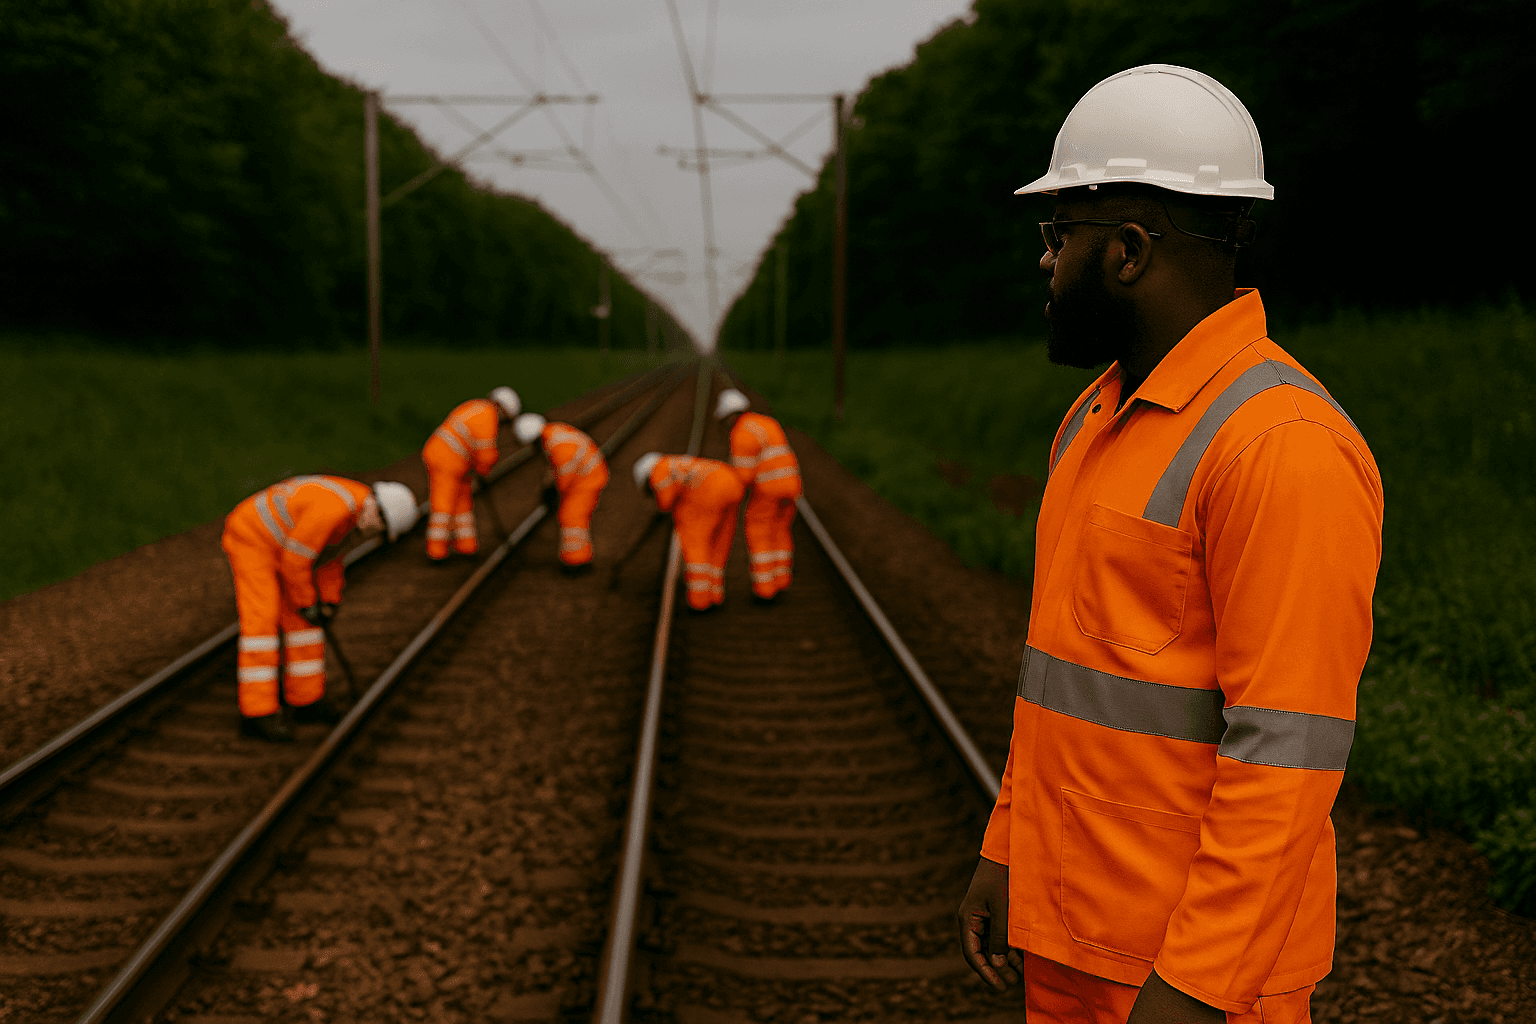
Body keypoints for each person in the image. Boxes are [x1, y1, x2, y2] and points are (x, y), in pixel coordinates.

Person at [955, 65, 1383, 1024]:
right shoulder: (1095, 418)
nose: (1044, 261)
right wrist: (1008, 848)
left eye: (1059, 234)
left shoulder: (1282, 447)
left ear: (1131, 251)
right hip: (1071, 938)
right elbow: (1061, 680)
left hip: (1188, 979)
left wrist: (1193, 986)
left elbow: (1288, 758)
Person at [222, 476, 419, 741]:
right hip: (253, 538)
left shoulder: (354, 517)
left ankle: (306, 700)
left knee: (305, 626)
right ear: (376, 506)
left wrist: (328, 601)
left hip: (285, 546)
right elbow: (295, 563)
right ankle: (257, 713)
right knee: (262, 621)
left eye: (382, 532)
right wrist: (307, 602)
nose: (375, 532)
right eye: (380, 525)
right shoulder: (334, 509)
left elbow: (328, 559)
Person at [716, 388, 802, 601]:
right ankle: (781, 580)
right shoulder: (767, 422)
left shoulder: (741, 432)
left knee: (759, 532)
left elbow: (743, 476)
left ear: (730, 416)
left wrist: (727, 495)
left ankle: (765, 589)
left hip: (768, 490)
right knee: (781, 531)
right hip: (791, 486)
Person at [632, 451, 745, 611]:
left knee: (695, 543)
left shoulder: (659, 469)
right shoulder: (677, 462)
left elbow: (666, 501)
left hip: (708, 494)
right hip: (731, 483)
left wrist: (662, 508)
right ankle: (715, 593)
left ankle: (700, 600)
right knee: (718, 543)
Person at [422, 387, 520, 561]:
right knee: (443, 505)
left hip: (455, 460)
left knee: (462, 503)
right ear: (504, 411)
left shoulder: (476, 406)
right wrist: (484, 471)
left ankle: (466, 544)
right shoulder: (488, 417)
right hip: (446, 460)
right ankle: (436, 550)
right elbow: (486, 453)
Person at [513, 413, 610, 570]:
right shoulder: (552, 434)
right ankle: (579, 557)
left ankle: (576, 562)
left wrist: (553, 491)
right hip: (586, 475)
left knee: (572, 515)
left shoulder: (555, 443)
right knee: (572, 515)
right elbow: (555, 468)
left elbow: (564, 474)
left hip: (587, 479)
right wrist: (548, 486)